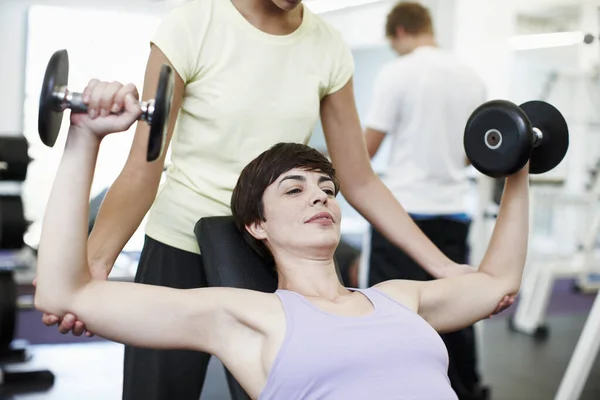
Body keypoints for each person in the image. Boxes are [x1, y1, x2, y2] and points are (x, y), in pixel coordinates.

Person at [39, 1, 490, 399]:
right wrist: (92, 271)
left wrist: (443, 266)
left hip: (262, 247)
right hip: (178, 240)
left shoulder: (328, 46)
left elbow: (359, 178)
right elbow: (144, 167)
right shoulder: (192, 25)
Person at [363, 2, 490, 399]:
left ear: (400, 32)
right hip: (453, 208)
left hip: (403, 215)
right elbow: (474, 153)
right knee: (456, 309)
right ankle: (466, 389)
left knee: (391, 310)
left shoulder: (398, 72)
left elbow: (366, 149)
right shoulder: (472, 77)